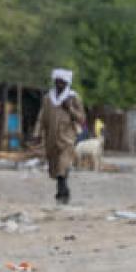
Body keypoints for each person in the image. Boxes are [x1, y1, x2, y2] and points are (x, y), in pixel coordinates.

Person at [34, 68, 85, 204]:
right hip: (51, 138)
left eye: (62, 82)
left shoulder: (73, 98)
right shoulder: (47, 98)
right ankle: (62, 189)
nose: (59, 85)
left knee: (63, 164)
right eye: (57, 82)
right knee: (55, 167)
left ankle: (62, 193)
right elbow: (41, 117)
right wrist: (37, 133)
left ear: (67, 83)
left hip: (67, 138)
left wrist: (70, 109)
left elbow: (81, 118)